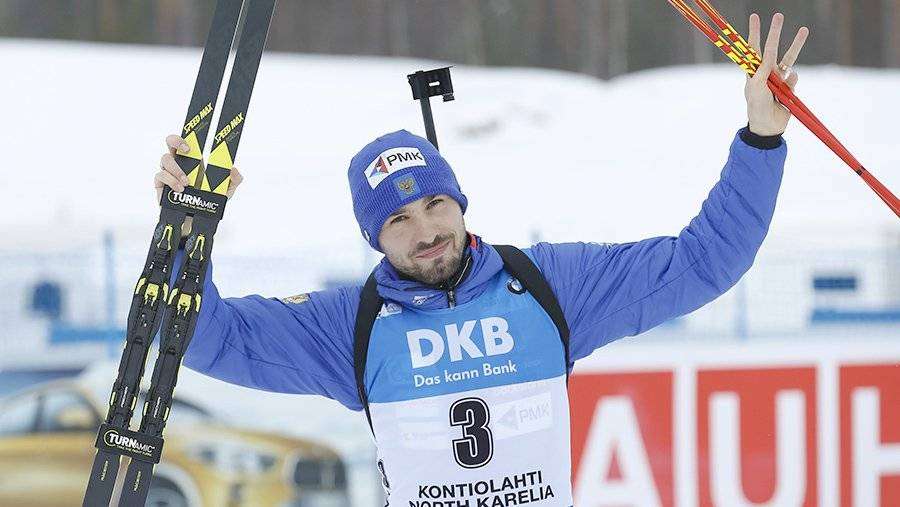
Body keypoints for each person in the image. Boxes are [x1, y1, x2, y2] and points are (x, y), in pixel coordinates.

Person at [153, 13, 808, 506]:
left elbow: (705, 261)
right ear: (375, 239)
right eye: (398, 220)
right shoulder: (350, 325)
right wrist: (189, 230)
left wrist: (761, 138)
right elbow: (207, 338)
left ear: (459, 202)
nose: (426, 231)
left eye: (435, 204)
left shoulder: (549, 286)